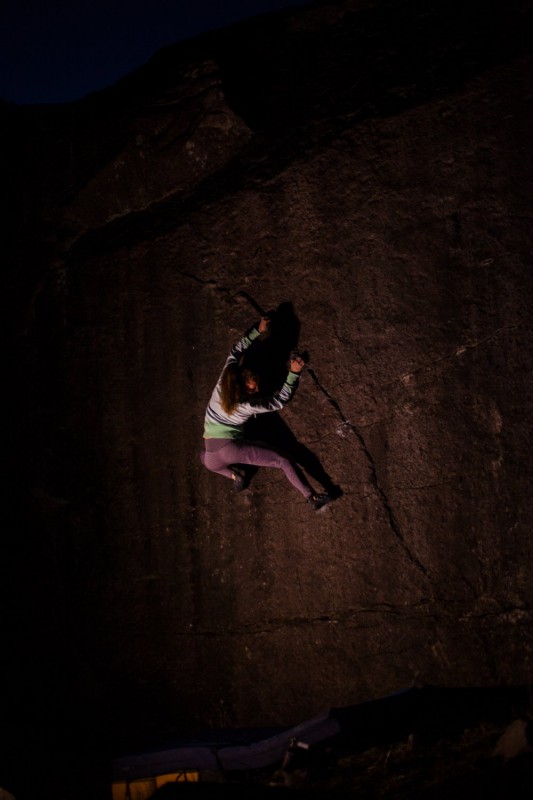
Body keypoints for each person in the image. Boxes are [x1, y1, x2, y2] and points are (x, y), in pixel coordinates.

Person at [200, 317, 333, 510]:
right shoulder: (245, 405)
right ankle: (312, 498)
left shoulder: (224, 379)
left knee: (203, 457)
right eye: (253, 390)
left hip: (211, 458)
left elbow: (236, 351)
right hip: (230, 448)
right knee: (283, 460)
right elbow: (279, 401)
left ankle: (236, 476)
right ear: (242, 390)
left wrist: (258, 330)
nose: (257, 391)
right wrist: (293, 373)